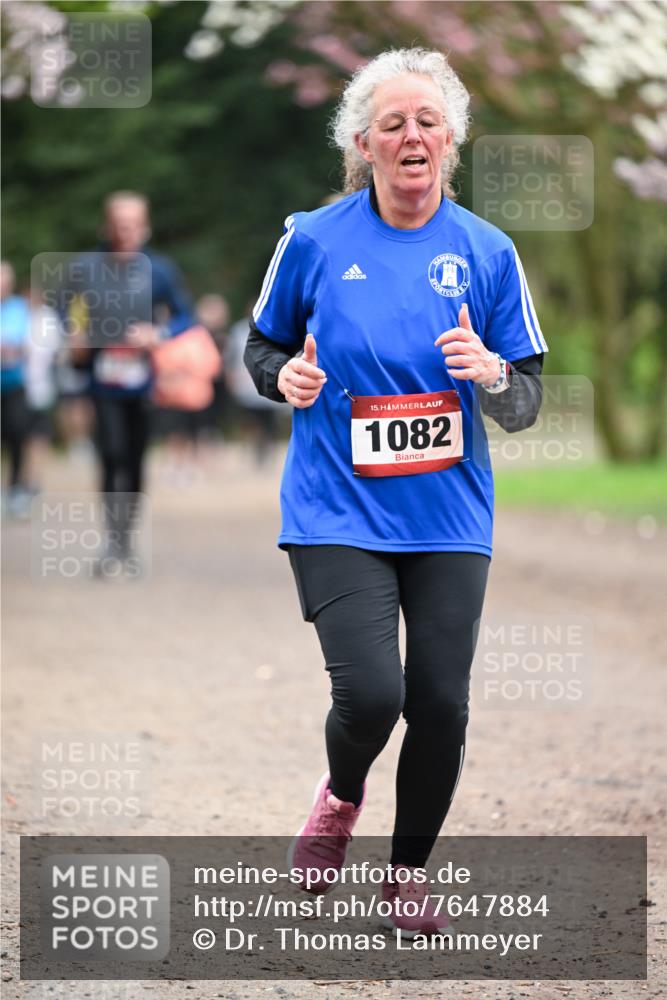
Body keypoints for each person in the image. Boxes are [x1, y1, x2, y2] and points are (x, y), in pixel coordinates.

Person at [245, 47, 547, 938]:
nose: (410, 136)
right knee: (373, 694)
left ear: (448, 139)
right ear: (362, 145)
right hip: (335, 505)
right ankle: (339, 798)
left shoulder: (488, 254)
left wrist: (492, 373)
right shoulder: (312, 238)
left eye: (426, 121)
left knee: (442, 703)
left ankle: (408, 874)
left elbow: (524, 400)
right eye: (391, 124)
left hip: (447, 514)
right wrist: (283, 380)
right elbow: (261, 347)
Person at [65, 191, 194, 569]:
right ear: (107, 225)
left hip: (144, 381)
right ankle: (112, 539)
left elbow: (186, 315)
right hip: (101, 380)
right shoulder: (85, 267)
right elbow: (62, 311)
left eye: (134, 223)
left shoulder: (161, 269)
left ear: (145, 225)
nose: (127, 230)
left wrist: (160, 334)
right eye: (120, 223)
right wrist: (74, 336)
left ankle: (126, 540)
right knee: (110, 454)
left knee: (135, 458)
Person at [0, 261, 31, 516]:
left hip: (13, 384)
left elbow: (17, 344)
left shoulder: (18, 308)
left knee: (17, 436)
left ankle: (16, 489)